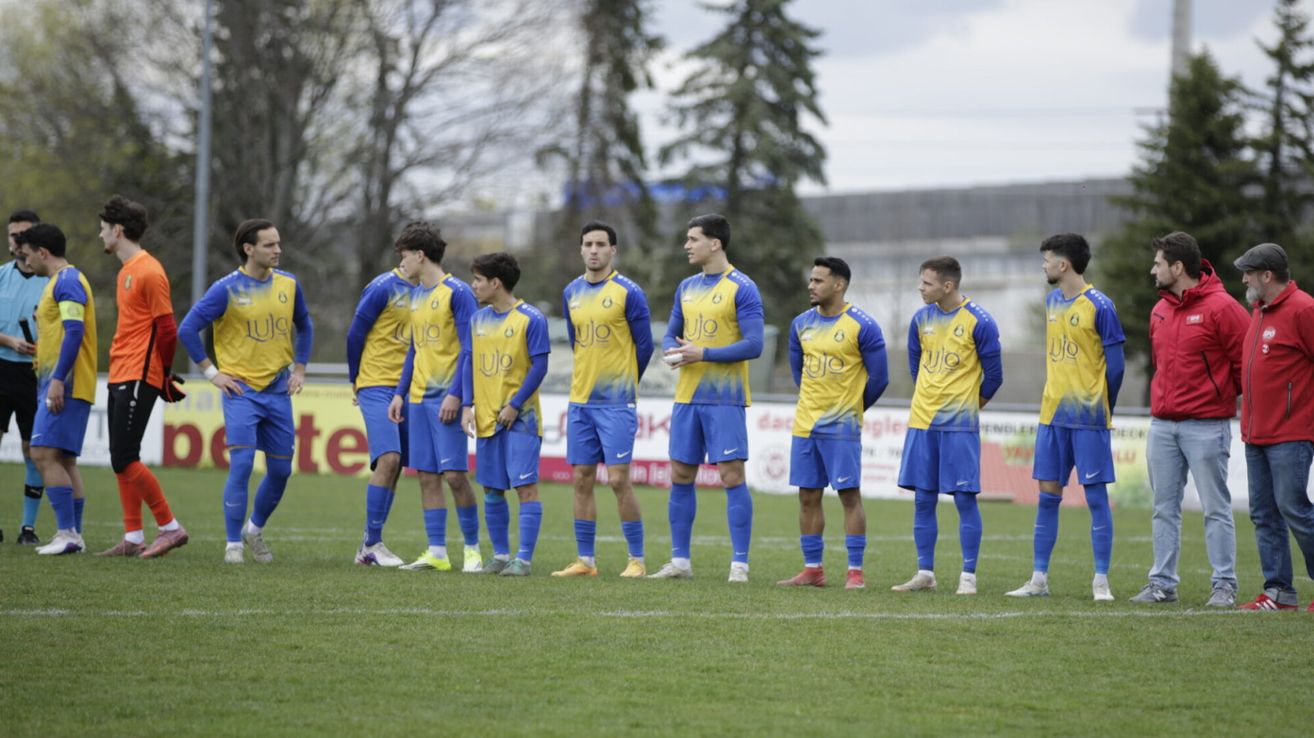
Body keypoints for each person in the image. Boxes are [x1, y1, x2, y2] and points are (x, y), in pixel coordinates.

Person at [178, 219, 313, 564]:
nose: (278, 250)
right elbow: (188, 329)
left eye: (278, 243)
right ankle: (232, 545)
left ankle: (254, 530)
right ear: (248, 249)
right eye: (269, 244)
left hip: (277, 390)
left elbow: (306, 325)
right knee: (241, 465)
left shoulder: (289, 284)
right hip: (241, 391)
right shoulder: (226, 289)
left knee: (282, 471)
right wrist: (212, 373)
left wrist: (299, 368)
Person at [1130, 232, 1247, 606]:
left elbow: (1246, 365)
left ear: (1177, 268)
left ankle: (1224, 585)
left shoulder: (1223, 308)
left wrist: (1218, 397)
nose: (1153, 270)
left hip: (1208, 426)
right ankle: (1162, 583)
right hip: (1163, 426)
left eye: (1159, 264)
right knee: (1164, 508)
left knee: (1215, 508)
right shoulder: (1160, 310)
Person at [1006, 233, 1125, 601]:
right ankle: (1038, 580)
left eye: (1047, 259)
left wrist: (1104, 404)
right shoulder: (1052, 300)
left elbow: (1117, 367)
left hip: (1088, 418)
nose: (1043, 265)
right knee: (1046, 498)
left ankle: (1101, 582)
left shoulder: (1100, 305)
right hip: (1052, 415)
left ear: (1064, 264)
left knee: (1096, 499)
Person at [650, 213, 764, 583]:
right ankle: (680, 562)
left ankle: (740, 565)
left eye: (693, 239)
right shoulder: (686, 287)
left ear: (715, 244)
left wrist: (705, 354)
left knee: (731, 476)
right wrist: (672, 351)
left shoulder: (742, 287)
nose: (687, 245)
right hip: (687, 397)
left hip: (725, 398)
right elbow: (670, 334)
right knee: (681, 474)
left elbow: (754, 344)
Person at [892, 257, 1002, 596]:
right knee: (923, 500)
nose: (920, 288)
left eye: (926, 283)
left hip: (959, 427)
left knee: (965, 499)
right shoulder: (920, 319)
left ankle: (968, 576)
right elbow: (916, 367)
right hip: (922, 423)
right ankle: (925, 573)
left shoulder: (979, 321)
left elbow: (994, 377)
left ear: (947, 286)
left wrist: (968, 406)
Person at [776, 256, 888, 590]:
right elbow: (800, 374)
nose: (811, 286)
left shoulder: (862, 325)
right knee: (807, 496)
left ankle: (855, 572)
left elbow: (880, 378)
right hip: (805, 425)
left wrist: (852, 408)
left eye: (818, 281)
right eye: (810, 280)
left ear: (838, 285)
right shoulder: (800, 324)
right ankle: (813, 569)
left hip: (842, 426)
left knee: (848, 496)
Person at [553, 221, 653, 578]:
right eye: (588, 244)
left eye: (600, 244)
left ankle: (637, 560)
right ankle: (586, 561)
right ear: (581, 250)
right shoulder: (571, 292)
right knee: (581, 477)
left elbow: (645, 346)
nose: (593, 250)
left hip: (616, 403)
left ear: (613, 250)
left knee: (617, 479)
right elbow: (576, 340)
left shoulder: (629, 292)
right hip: (580, 401)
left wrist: (625, 382)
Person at [94, 195, 190, 559]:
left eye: (103, 228)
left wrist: (162, 373)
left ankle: (170, 528)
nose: (100, 234)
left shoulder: (149, 270)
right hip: (122, 371)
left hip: (139, 373)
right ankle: (133, 537)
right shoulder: (125, 271)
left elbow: (167, 329)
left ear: (118, 230)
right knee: (122, 456)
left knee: (124, 458)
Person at [385, 222, 482, 572]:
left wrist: (457, 395)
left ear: (420, 255)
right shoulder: (415, 296)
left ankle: (472, 550)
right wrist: (399, 393)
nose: (402, 264)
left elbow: (470, 349)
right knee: (426, 475)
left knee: (456, 476)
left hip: (446, 398)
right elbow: (414, 349)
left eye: (404, 256)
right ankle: (436, 552)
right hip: (417, 399)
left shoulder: (457, 293)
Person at [1232, 242, 1314, 612]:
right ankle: (1279, 593)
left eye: (1248, 271)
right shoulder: (1259, 311)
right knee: (1264, 514)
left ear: (1267, 275)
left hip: (1291, 433)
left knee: (1294, 509)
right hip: (1255, 434)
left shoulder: (1304, 309)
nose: (1244, 277)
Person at [463, 252, 549, 576]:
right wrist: (467, 406)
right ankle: (500, 556)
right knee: (491, 488)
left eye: (478, 280)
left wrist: (515, 404)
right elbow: (468, 363)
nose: (474, 285)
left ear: (495, 283)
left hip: (521, 419)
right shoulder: (477, 320)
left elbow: (540, 366)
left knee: (525, 487)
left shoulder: (531, 318)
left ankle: (523, 559)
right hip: (486, 419)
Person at [17, 224, 96, 555]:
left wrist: (59, 380)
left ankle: (66, 533)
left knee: (42, 454)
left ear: (42, 252)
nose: (25, 261)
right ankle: (73, 534)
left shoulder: (66, 282)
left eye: (27, 254)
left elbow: (74, 332)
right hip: (62, 380)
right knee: (64, 459)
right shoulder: (61, 282)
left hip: (65, 382)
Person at [344, 232, 418, 568]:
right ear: (404, 254)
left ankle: (368, 544)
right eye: (414, 252)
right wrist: (355, 379)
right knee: (388, 459)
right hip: (376, 384)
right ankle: (372, 544)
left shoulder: (429, 292)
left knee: (397, 464)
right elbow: (355, 334)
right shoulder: (383, 286)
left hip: (408, 389)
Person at [0, 209, 47, 545]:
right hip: (1, 367)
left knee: (34, 450)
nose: (16, 241)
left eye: (23, 235)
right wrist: (8, 340)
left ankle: (27, 528)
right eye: (12, 235)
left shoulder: (53, 281)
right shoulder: (1, 275)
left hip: (35, 374)